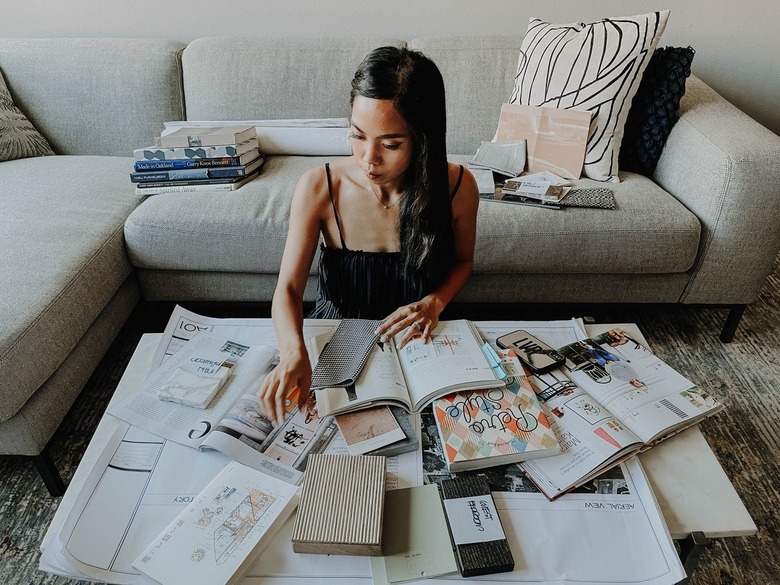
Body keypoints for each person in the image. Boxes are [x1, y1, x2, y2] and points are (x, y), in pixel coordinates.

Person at [257, 46, 479, 425]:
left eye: (390, 144)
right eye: (358, 136)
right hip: (339, 336)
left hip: (421, 339)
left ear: (423, 139)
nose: (369, 158)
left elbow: (462, 262)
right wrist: (294, 351)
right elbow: (288, 290)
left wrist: (434, 302)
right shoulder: (319, 187)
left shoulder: (458, 186)